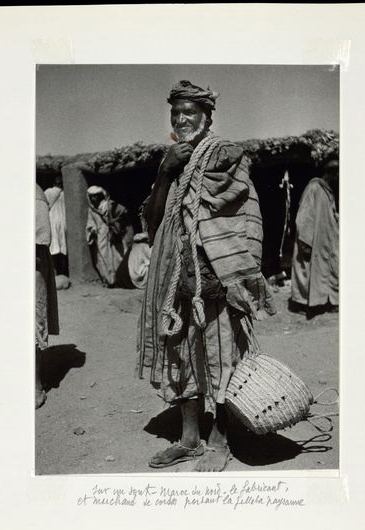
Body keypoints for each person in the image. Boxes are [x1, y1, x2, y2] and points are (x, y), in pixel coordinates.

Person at [138, 80, 275, 471]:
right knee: (179, 353)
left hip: (216, 273)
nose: (181, 120)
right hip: (174, 277)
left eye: (190, 113)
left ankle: (221, 437)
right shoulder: (172, 163)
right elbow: (153, 222)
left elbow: (244, 218)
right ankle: (189, 439)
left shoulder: (226, 156)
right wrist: (165, 172)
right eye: (175, 113)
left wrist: (235, 274)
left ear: (207, 117)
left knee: (221, 353)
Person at [290, 157, 339, 317]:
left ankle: (327, 302)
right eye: (336, 172)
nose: (338, 176)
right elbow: (305, 215)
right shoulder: (314, 188)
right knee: (310, 272)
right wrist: (305, 241)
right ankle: (307, 305)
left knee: (327, 270)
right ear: (329, 173)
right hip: (313, 240)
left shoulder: (326, 191)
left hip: (326, 240)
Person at [36, 183, 59, 409]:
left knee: (31, 325)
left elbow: (40, 238)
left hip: (31, 263)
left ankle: (35, 386)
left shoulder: (34, 194)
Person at [86, 186, 133, 286]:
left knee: (117, 255)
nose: (93, 199)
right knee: (103, 256)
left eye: (95, 196)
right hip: (101, 235)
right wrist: (93, 229)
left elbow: (122, 213)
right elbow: (90, 222)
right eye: (91, 197)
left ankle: (119, 279)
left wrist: (115, 223)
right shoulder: (91, 210)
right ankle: (109, 280)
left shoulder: (109, 205)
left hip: (113, 233)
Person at [44, 176, 69, 286]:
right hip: (62, 222)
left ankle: (54, 273)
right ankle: (62, 272)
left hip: (52, 221)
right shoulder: (64, 194)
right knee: (62, 247)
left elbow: (45, 205)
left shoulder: (48, 192)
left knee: (53, 247)